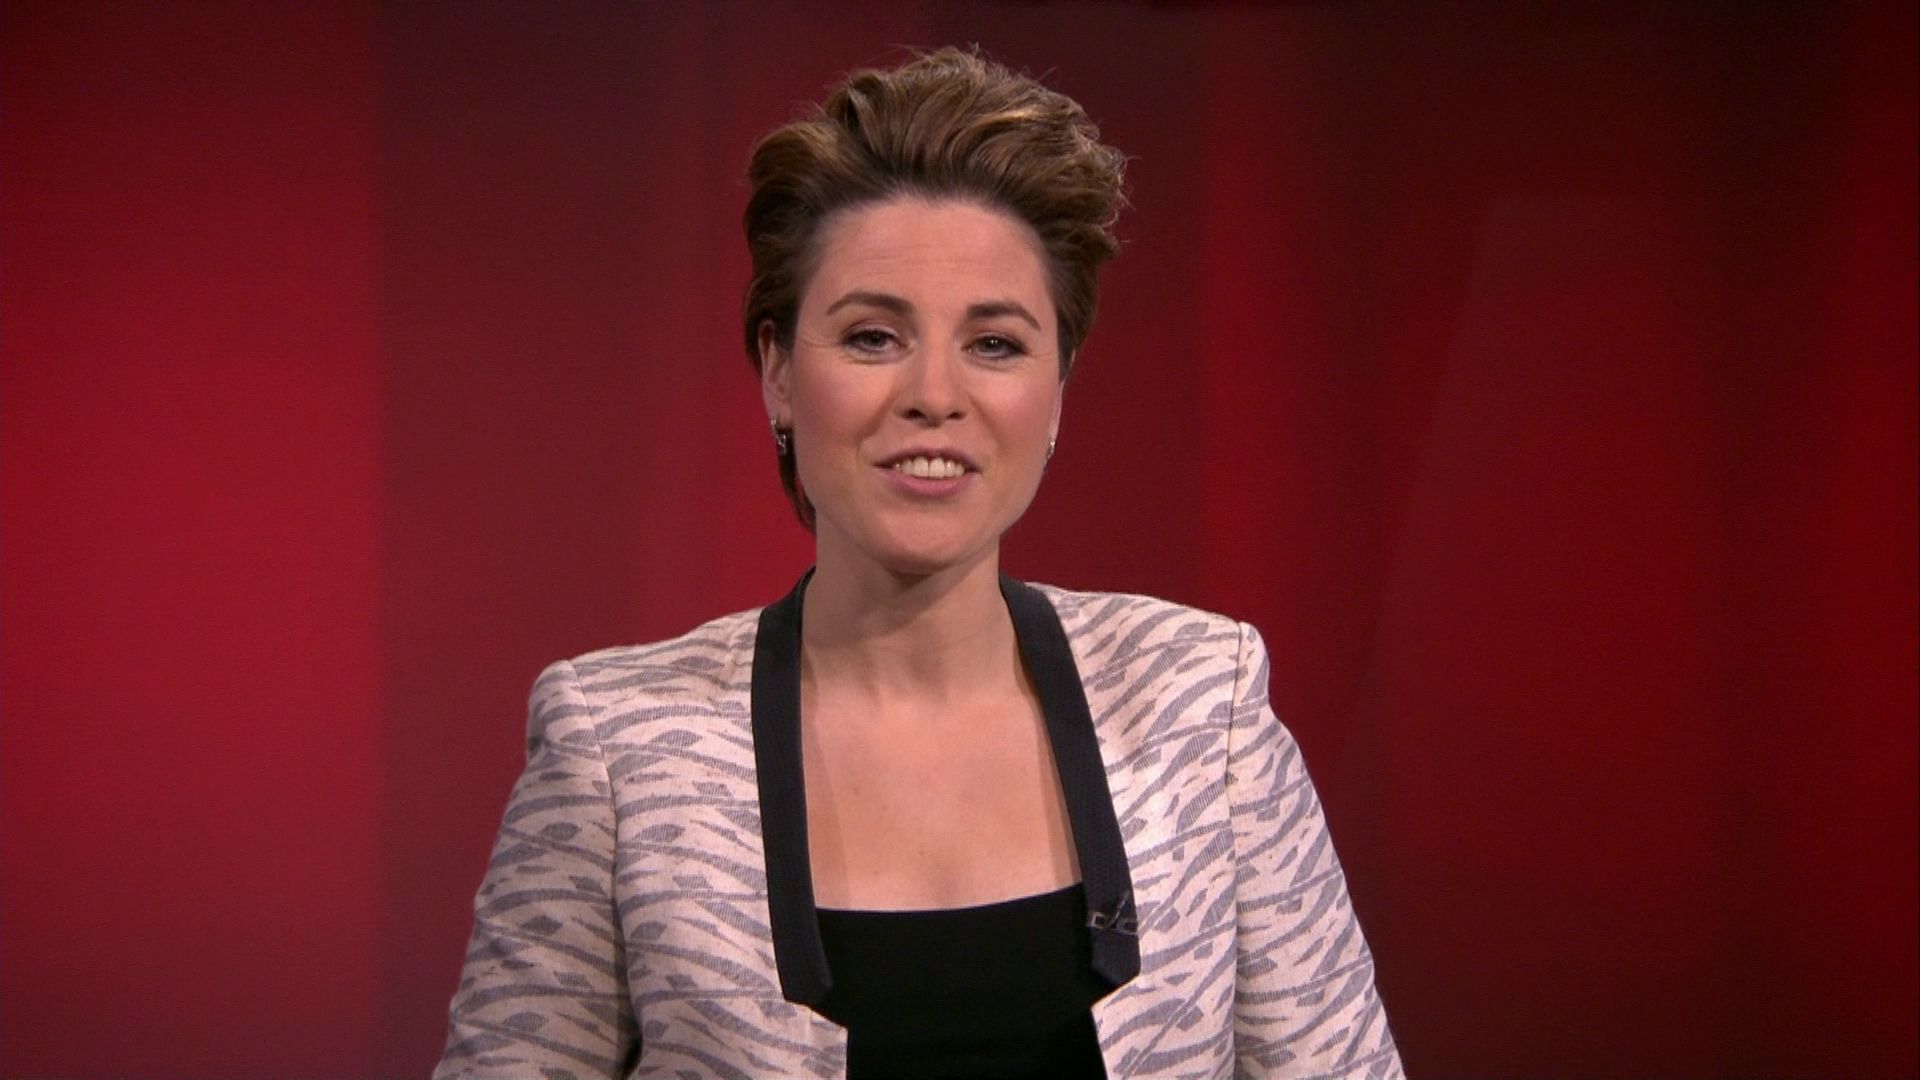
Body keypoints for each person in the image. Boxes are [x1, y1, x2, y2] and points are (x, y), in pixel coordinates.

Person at [436, 47, 1401, 1080]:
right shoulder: (618, 750)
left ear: (1058, 390)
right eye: (872, 337)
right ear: (778, 372)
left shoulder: (1202, 707)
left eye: (995, 344)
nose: (935, 396)